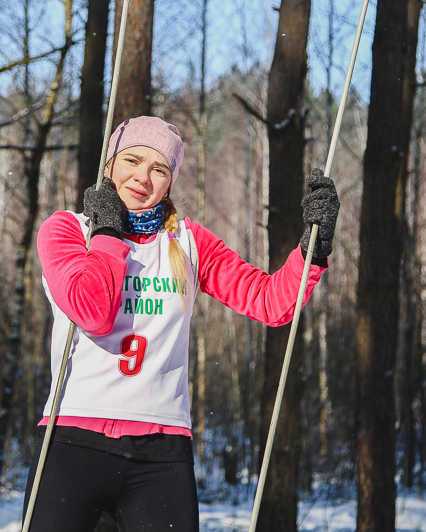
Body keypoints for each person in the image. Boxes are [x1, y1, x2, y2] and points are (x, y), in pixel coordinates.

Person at [24, 115, 340, 532]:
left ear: (170, 181)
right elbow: (91, 310)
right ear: (108, 166)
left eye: (159, 169)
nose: (142, 177)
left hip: (161, 454)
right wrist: (106, 229)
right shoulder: (67, 229)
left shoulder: (189, 244)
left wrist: (313, 248)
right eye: (132, 160)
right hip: (70, 442)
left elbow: (270, 303)